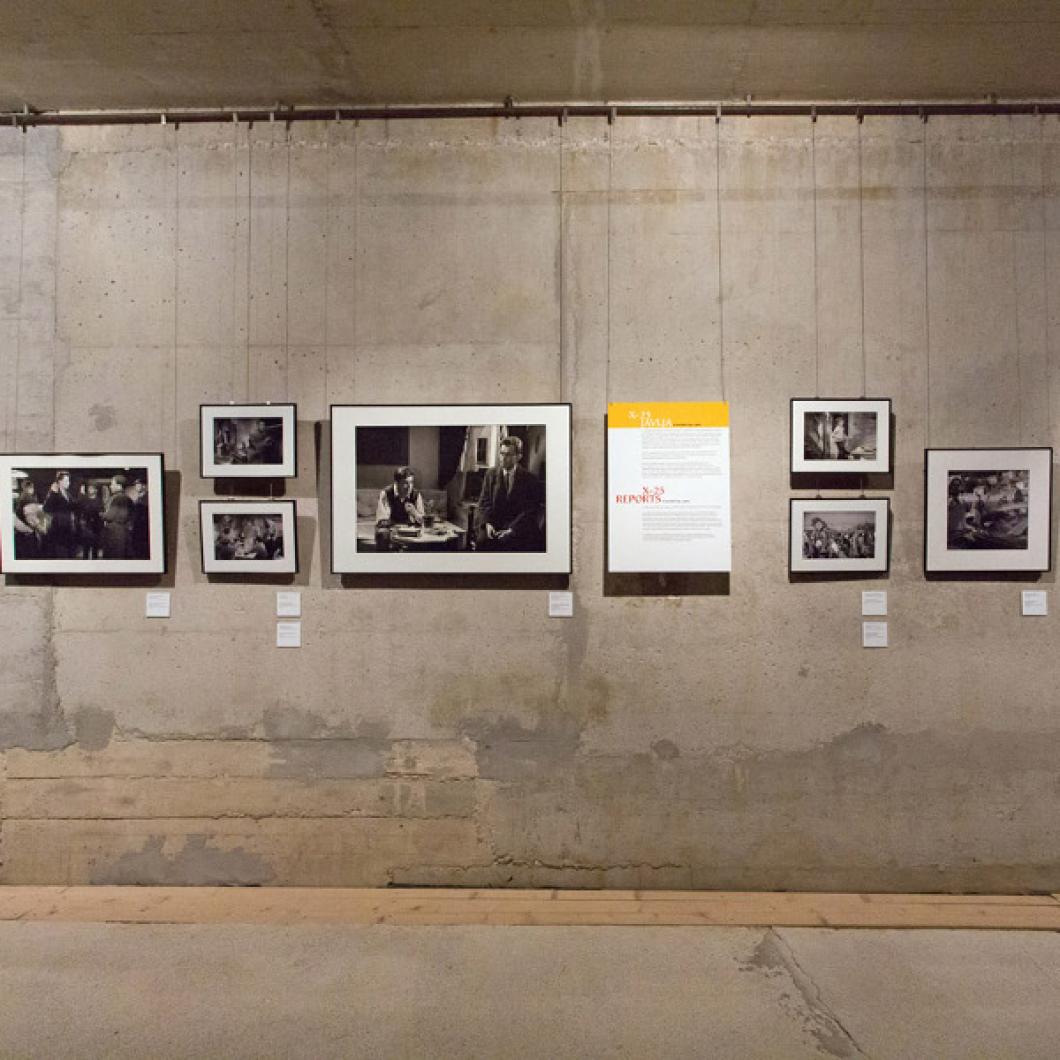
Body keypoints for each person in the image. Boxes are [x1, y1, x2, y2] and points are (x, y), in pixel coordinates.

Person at [475, 436, 543, 552]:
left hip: (518, 526)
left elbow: (529, 510)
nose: (503, 458)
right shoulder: (490, 474)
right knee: (482, 542)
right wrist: (488, 524)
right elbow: (484, 502)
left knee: (517, 544)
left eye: (508, 455)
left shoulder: (530, 479)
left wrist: (512, 530)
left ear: (519, 457)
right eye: (501, 453)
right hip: (494, 524)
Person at [43, 470, 78, 558]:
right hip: (59, 528)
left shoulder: (68, 494)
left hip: (69, 527)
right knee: (61, 554)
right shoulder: (54, 493)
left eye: (69, 480)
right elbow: (46, 508)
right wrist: (53, 493)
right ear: (59, 482)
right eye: (66, 481)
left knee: (70, 553)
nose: (68, 483)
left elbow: (73, 506)